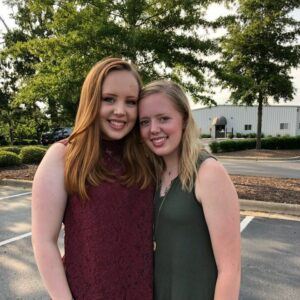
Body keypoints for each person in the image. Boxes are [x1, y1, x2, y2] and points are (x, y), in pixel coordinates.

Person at [31, 57, 155, 299]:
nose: (120, 111)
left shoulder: (146, 157)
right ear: (91, 100)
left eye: (130, 102)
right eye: (109, 99)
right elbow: (44, 241)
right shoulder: (64, 156)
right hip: (85, 292)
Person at [139, 80, 241, 300]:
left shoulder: (208, 172)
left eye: (164, 118)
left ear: (184, 119)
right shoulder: (151, 174)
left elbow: (230, 270)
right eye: (144, 122)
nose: (153, 129)